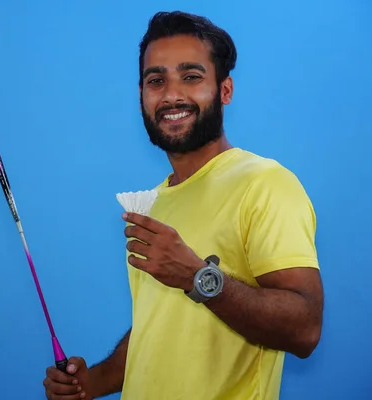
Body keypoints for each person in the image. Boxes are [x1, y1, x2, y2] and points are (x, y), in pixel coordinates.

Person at [43, 10, 324, 400]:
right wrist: (91, 382)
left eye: (191, 77)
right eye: (156, 80)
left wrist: (197, 279)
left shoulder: (265, 183)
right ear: (141, 95)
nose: (171, 95)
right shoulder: (154, 203)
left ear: (224, 91)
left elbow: (305, 328)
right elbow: (161, 326)